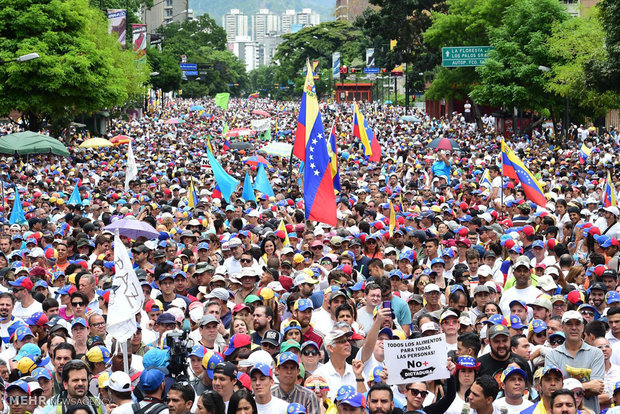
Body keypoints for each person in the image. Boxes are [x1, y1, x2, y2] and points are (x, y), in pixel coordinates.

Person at [545, 310, 605, 413]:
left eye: (577, 324)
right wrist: (587, 386)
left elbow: (597, 388)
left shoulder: (596, 353)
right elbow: (554, 389)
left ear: (582, 327)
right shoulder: (552, 354)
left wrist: (565, 387)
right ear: (562, 328)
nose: (573, 328)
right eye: (569, 324)